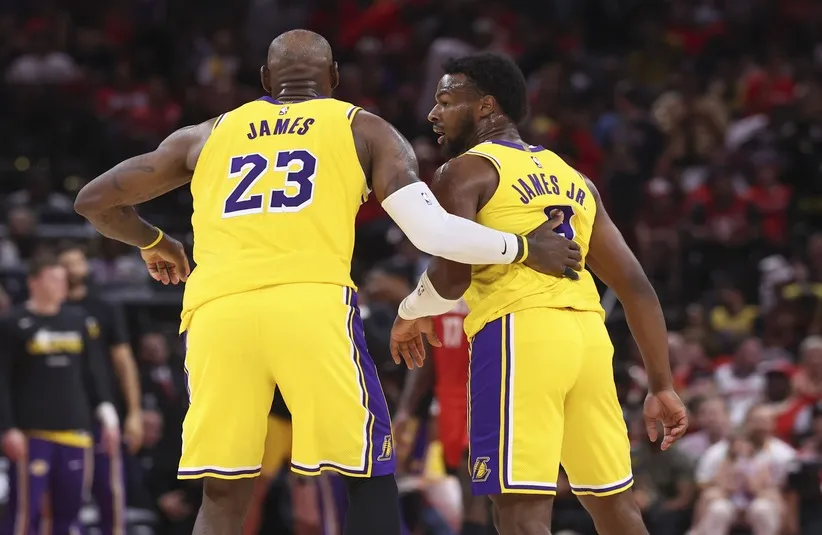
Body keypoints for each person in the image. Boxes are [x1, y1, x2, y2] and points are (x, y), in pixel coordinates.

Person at [73, 30, 582, 535]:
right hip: (311, 307)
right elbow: (433, 232)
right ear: (334, 79)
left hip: (216, 313)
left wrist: (154, 241)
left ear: (266, 80)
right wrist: (523, 247)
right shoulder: (364, 128)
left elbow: (94, 201)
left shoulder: (206, 134)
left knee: (223, 488)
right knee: (368, 468)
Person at [390, 53, 688, 535]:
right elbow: (637, 289)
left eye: (445, 101)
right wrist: (662, 385)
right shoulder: (575, 179)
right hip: (589, 340)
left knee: (519, 510)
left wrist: (410, 311)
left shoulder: (463, 171)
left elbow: (451, 277)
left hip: (519, 334)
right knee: (615, 507)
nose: (433, 114)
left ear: (486, 106)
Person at [0, 254, 120, 535]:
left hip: (76, 431)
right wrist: (7, 428)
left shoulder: (78, 320)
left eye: (63, 280)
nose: (61, 285)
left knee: (70, 513)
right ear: (34, 282)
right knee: (23, 514)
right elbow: (2, 381)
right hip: (32, 433)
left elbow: (94, 373)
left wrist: (108, 415)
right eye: (54, 279)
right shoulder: (13, 324)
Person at [58, 243, 142, 535]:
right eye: (66, 263)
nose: (72, 268)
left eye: (78, 261)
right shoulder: (47, 308)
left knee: (109, 491)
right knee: (65, 498)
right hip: (60, 415)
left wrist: (134, 412)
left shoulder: (103, 307)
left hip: (102, 414)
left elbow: (124, 362)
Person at [394, 300, 491, 535]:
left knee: (480, 487)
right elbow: (427, 358)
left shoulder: (495, 280)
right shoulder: (437, 289)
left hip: (489, 394)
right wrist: (406, 408)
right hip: (450, 401)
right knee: (465, 485)